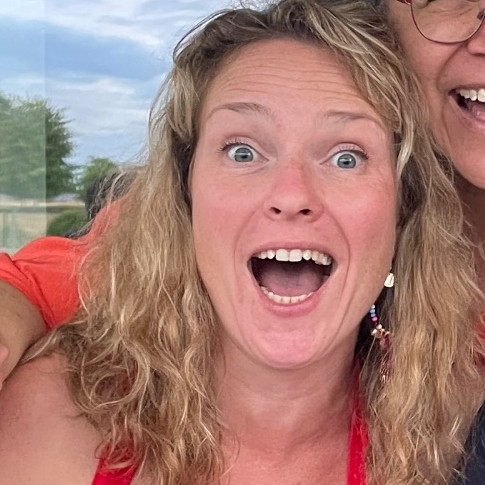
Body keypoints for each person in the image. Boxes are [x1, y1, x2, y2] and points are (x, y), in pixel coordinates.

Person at [0, 0, 484, 484]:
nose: (292, 195)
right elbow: (45, 281)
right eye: (243, 152)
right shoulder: (52, 422)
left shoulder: (449, 437)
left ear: (404, 214)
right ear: (181, 199)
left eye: (346, 158)